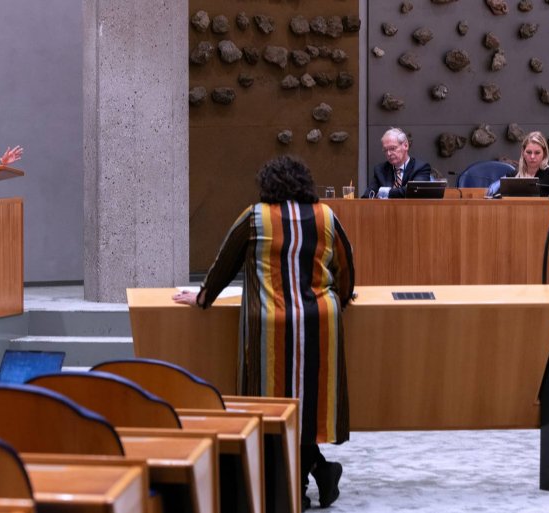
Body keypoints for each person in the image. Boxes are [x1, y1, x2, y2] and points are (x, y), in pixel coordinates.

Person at [173, 155, 355, 510]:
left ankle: (295, 489)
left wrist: (203, 296)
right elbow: (345, 265)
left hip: (269, 324)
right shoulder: (326, 216)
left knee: (272, 404)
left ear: (267, 184)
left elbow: (224, 262)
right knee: (307, 403)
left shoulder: (255, 217)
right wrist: (343, 298)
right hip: (320, 320)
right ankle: (314, 472)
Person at [363, 127, 431, 198]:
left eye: (393, 148)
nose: (389, 154)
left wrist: (385, 193)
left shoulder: (421, 168)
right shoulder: (381, 170)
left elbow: (414, 191)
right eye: (385, 150)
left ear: (405, 146)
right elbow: (368, 196)